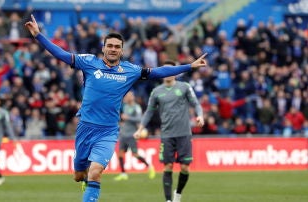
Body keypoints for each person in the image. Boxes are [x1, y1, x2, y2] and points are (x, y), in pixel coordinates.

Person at [24, 15, 207, 202]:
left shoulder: (130, 71)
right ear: (103, 48)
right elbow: (61, 54)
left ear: (122, 51)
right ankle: (84, 180)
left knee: (95, 172)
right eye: (110, 46)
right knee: (79, 175)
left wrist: (190, 66)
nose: (113, 49)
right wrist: (38, 35)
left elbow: (158, 72)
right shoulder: (88, 62)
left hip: (108, 131)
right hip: (85, 128)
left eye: (117, 47)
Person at [134, 60, 205, 202]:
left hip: (184, 133)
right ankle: (168, 200)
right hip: (167, 134)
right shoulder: (156, 92)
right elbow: (149, 112)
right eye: (165, 70)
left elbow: (196, 104)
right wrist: (140, 128)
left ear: (176, 72)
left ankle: (177, 194)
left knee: (185, 167)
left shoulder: (184, 87)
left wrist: (200, 115)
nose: (168, 73)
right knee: (167, 166)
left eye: (171, 70)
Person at [114, 91, 155, 181]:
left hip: (132, 134)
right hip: (124, 134)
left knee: (135, 154)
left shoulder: (136, 107)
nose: (127, 98)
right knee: (120, 154)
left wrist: (128, 118)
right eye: (126, 96)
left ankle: (149, 167)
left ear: (132, 97)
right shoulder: (125, 107)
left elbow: (139, 118)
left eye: (128, 96)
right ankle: (123, 173)